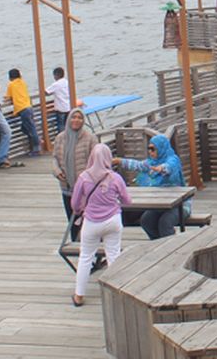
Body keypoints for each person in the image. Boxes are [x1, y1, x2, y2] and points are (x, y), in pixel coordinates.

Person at [70, 143, 131, 307]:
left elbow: (75, 204)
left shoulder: (83, 177)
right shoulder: (115, 178)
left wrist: (80, 208)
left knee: (85, 257)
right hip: (113, 220)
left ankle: (79, 295)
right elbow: (127, 200)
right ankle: (117, 294)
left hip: (91, 221)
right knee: (113, 255)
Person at [114, 134, 193, 240]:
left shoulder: (173, 159)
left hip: (180, 205)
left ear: (161, 148)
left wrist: (162, 168)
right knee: (146, 220)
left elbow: (170, 167)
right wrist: (119, 161)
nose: (150, 152)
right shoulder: (151, 163)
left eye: (153, 149)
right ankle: (158, 244)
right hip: (162, 204)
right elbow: (137, 165)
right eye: (149, 149)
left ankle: (172, 247)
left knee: (165, 223)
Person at [52, 107, 97, 241]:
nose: (76, 120)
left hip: (85, 190)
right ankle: (76, 250)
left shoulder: (90, 138)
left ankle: (92, 252)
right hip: (66, 187)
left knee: (87, 222)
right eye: (73, 117)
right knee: (72, 222)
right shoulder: (60, 138)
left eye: (80, 118)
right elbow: (54, 157)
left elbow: (96, 161)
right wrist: (57, 171)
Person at [6, 68, 41, 157]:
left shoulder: (11, 84)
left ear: (10, 77)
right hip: (28, 107)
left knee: (31, 129)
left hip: (22, 109)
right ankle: (37, 141)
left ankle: (37, 148)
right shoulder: (23, 83)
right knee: (26, 128)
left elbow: (8, 97)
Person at [48, 67, 71, 133]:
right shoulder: (67, 82)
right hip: (68, 107)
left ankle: (62, 140)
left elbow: (46, 92)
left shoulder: (56, 84)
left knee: (61, 126)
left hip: (61, 108)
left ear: (56, 75)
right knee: (68, 125)